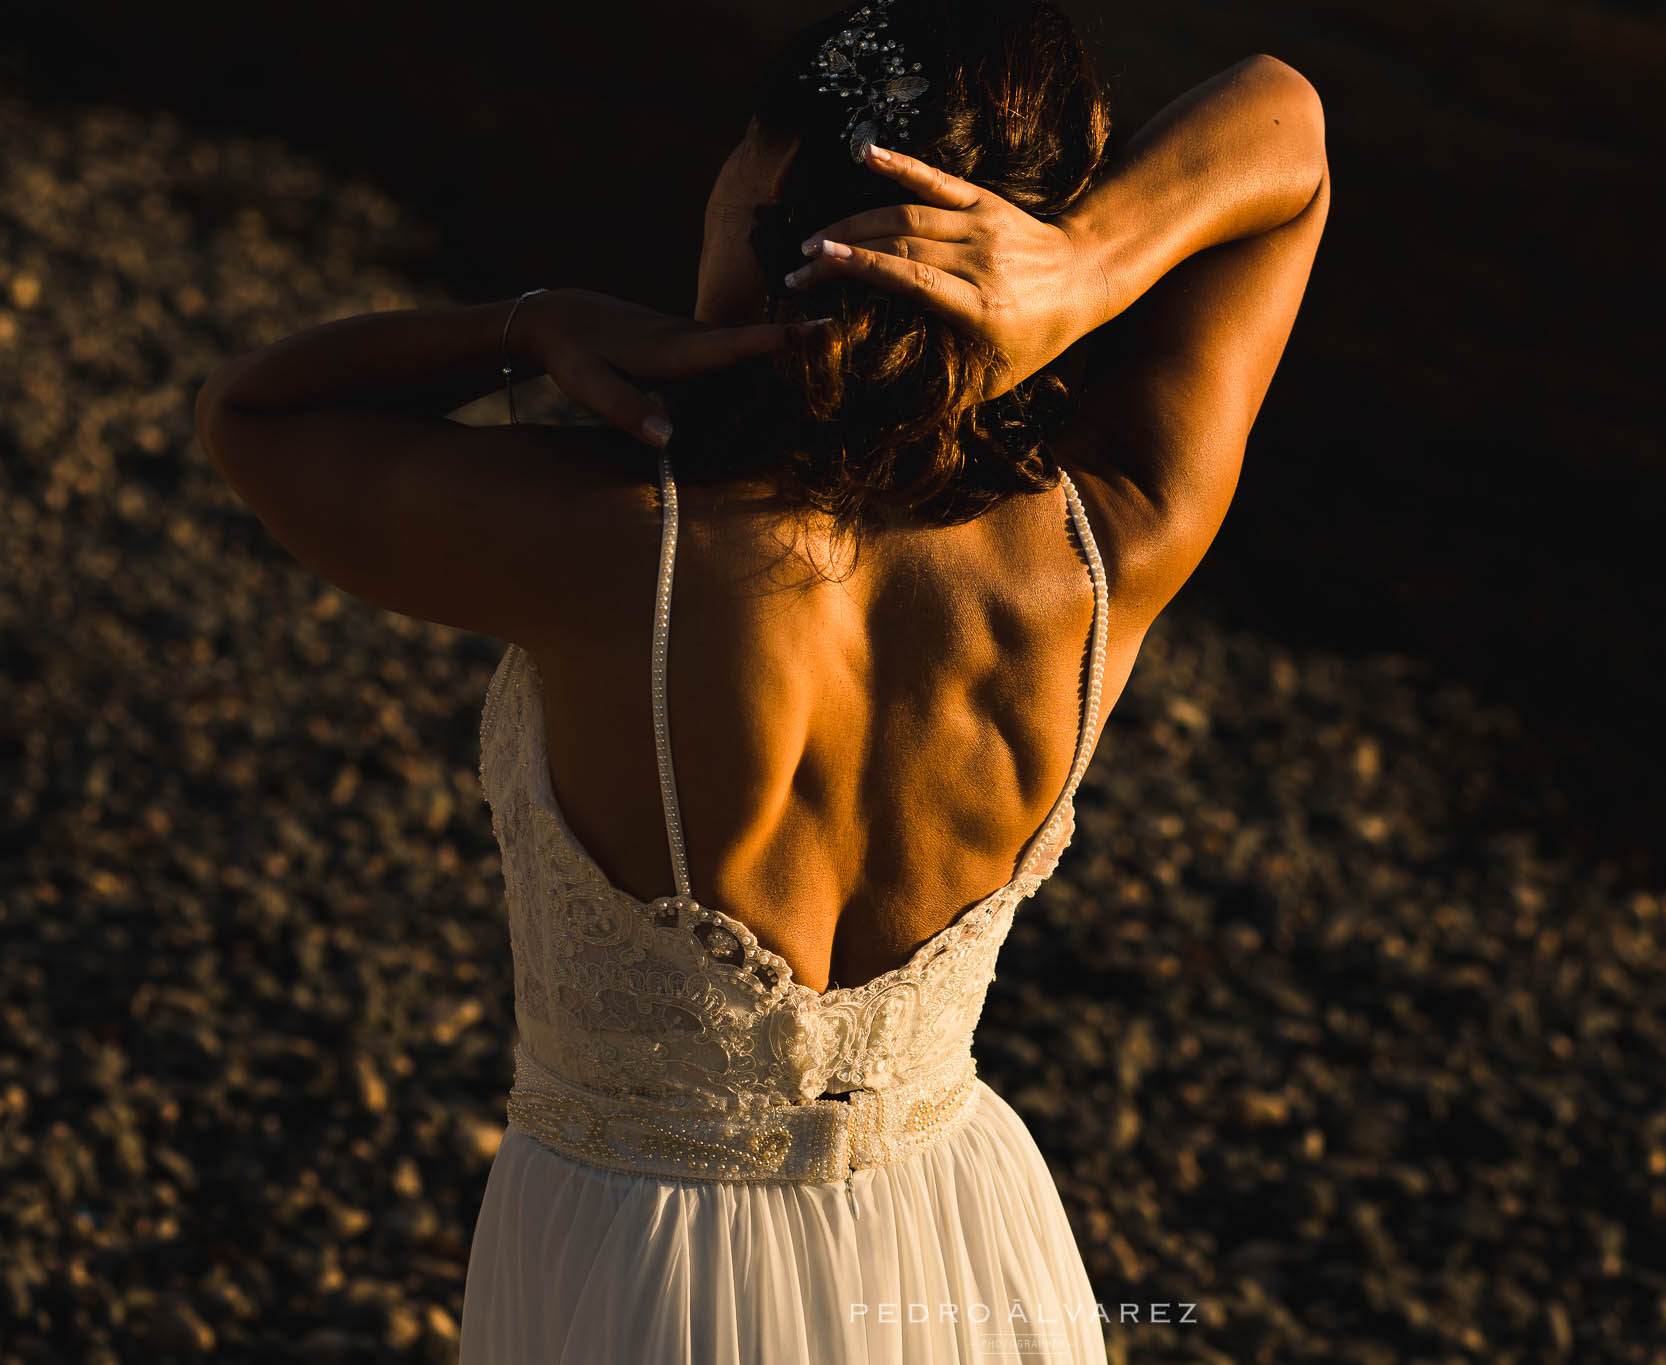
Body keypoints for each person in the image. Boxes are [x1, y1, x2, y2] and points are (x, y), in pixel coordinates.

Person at [193, 0, 1327, 1358]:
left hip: (644, 1271)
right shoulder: (1105, 542)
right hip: (959, 1244)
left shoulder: (608, 543)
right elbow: (1287, 130)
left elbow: (253, 413)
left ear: (765, 191)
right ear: (997, 241)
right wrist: (1081, 268)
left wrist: (536, 325)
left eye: (747, 145)